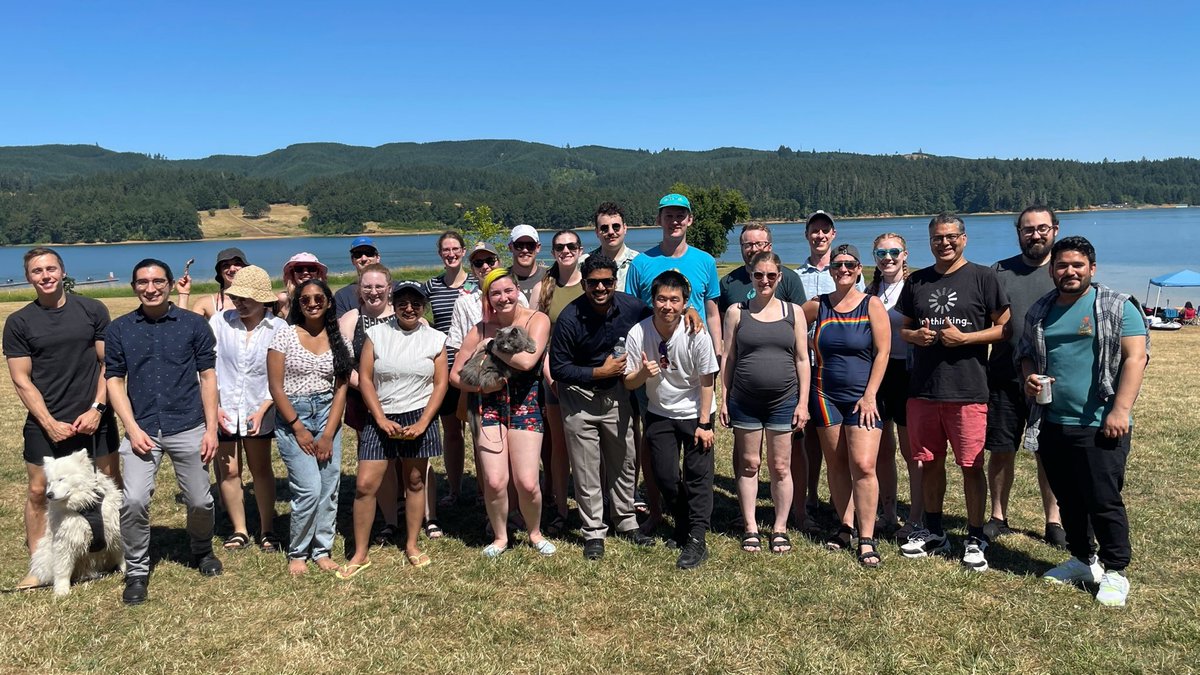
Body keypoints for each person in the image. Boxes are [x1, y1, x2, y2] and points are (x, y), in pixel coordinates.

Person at [1021, 236, 1149, 607]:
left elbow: (1135, 359)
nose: (1069, 271)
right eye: (1062, 265)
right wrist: (1029, 376)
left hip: (1099, 421)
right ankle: (1082, 559)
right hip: (1052, 421)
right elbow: (1026, 354)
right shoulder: (1041, 309)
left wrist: (1120, 410)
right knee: (1068, 498)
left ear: (1092, 269)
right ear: (1051, 270)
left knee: (1103, 499)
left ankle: (1115, 571)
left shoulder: (1116, 306)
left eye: (1078, 265)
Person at [105, 258, 223, 605]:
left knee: (200, 500)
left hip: (188, 423)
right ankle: (137, 571)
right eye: (143, 282)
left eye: (158, 281)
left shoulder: (193, 326)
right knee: (135, 500)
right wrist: (131, 427)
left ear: (170, 285)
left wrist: (211, 429)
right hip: (142, 428)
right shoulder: (120, 329)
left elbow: (208, 378)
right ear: (134, 287)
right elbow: (114, 379)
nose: (151, 288)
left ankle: (202, 550)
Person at [898, 213, 1010, 573]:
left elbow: (1004, 328)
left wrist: (967, 339)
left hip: (968, 388)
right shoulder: (917, 280)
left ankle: (975, 535)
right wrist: (915, 337)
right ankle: (934, 530)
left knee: (970, 465)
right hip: (924, 390)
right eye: (937, 238)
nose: (944, 243)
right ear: (929, 241)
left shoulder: (983, 277)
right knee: (929, 461)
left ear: (964, 238)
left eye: (950, 237)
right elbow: (904, 328)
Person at [5, 247, 119, 590]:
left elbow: (108, 364)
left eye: (51, 268)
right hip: (45, 422)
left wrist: (97, 409)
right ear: (29, 277)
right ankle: (41, 567)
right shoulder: (19, 322)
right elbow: (21, 379)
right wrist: (49, 422)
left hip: (94, 418)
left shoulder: (92, 310)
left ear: (63, 271)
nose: (45, 275)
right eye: (37, 271)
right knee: (40, 491)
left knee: (109, 484)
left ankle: (116, 553)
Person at [551, 255, 657, 560]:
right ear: (584, 283)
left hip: (617, 396)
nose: (600, 287)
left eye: (606, 282)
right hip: (578, 399)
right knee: (586, 470)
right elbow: (558, 368)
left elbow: (660, 317)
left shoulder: (631, 306)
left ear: (614, 282)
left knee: (624, 461)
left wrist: (690, 312)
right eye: (593, 282)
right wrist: (598, 373)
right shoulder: (571, 318)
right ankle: (594, 531)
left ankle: (625, 521)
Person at [344, 282, 448, 576]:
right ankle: (360, 552)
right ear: (394, 304)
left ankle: (412, 544)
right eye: (402, 302)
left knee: (415, 481)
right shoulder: (376, 335)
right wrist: (379, 419)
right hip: (381, 415)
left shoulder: (435, 338)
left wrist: (424, 422)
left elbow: (440, 383)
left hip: (419, 415)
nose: (409, 308)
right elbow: (365, 378)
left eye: (416, 303)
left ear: (423, 306)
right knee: (365, 485)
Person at [450, 268, 555, 558]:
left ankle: (534, 533)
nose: (503, 297)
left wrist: (493, 347)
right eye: (495, 293)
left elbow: (526, 361)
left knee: (527, 482)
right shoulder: (480, 328)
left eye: (508, 290)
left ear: (517, 290)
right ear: (488, 298)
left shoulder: (537, 320)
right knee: (495, 481)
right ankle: (500, 537)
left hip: (526, 405)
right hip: (490, 407)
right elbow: (455, 376)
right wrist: (482, 389)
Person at [801, 244, 890, 567]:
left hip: (862, 398)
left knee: (864, 465)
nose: (843, 270)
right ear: (830, 270)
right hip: (825, 395)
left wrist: (869, 396)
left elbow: (882, 353)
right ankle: (845, 525)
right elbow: (784, 319)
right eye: (837, 265)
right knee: (836, 464)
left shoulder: (872, 304)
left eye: (849, 264)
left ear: (859, 268)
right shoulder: (818, 306)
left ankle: (867, 537)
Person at [624, 271, 719, 569]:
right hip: (660, 411)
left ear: (685, 303)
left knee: (697, 476)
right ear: (652, 301)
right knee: (665, 476)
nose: (668, 306)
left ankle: (697, 538)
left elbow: (707, 381)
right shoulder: (638, 333)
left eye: (675, 300)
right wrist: (643, 373)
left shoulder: (696, 333)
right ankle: (682, 523)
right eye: (662, 299)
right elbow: (628, 381)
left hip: (695, 412)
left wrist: (704, 424)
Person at [985, 206, 1064, 546]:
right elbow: (984, 322)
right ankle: (998, 515)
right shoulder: (999, 272)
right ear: (1018, 232)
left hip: (1051, 379)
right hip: (1004, 376)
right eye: (1028, 229)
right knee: (1002, 449)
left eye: (1042, 228)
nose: (1036, 235)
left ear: (1055, 230)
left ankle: (1055, 521)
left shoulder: (1065, 270)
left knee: (1049, 452)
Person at [721, 252, 809, 554]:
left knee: (781, 466)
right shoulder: (736, 311)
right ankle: (750, 526)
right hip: (745, 401)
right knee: (749, 464)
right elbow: (728, 358)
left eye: (771, 275)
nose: (765, 281)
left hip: (784, 401)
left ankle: (780, 527)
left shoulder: (793, 311)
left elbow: (802, 359)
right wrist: (724, 398)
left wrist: (803, 403)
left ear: (780, 276)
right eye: (759, 275)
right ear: (751, 274)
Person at [267, 279, 351, 576]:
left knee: (329, 488)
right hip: (294, 417)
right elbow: (275, 387)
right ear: (297, 304)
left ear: (328, 301)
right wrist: (298, 428)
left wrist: (328, 433)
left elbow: (341, 389)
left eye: (319, 298)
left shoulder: (340, 339)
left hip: (328, 416)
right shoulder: (284, 337)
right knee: (309, 489)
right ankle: (298, 551)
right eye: (305, 299)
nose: (313, 303)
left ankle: (322, 549)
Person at [793, 210, 862, 530]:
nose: (820, 235)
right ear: (807, 235)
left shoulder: (851, 273)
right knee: (808, 437)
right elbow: (793, 322)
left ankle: (844, 504)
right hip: (808, 370)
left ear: (833, 235)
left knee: (845, 443)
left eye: (825, 231)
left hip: (844, 370)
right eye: (814, 231)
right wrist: (805, 346)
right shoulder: (796, 275)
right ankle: (809, 496)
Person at [210, 265, 284, 553]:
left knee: (261, 468)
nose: (239, 303)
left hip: (258, 406)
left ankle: (267, 528)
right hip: (224, 407)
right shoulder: (219, 322)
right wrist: (213, 407)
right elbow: (207, 367)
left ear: (262, 300)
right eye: (236, 297)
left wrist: (265, 407)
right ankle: (239, 529)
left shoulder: (277, 328)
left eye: (246, 298)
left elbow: (280, 373)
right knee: (229, 471)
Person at [337, 263, 401, 545]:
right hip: (362, 400)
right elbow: (341, 362)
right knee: (377, 460)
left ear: (389, 288)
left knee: (409, 461)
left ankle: (419, 514)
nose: (373, 292)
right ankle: (387, 519)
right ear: (359, 289)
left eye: (378, 287)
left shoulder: (404, 314)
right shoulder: (351, 318)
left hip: (402, 397)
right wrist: (367, 387)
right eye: (367, 287)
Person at [867, 233, 922, 540]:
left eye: (893, 251)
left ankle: (915, 516)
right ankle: (888, 513)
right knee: (882, 450)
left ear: (905, 254)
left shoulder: (914, 288)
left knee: (910, 450)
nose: (888, 257)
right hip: (877, 371)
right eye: (881, 252)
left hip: (908, 372)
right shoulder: (871, 289)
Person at [536, 229, 586, 535]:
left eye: (571, 246)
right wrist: (549, 374)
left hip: (587, 377)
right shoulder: (545, 286)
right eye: (559, 246)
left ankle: (589, 506)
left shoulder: (591, 283)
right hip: (553, 376)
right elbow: (537, 338)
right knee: (558, 447)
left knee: (588, 446)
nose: (565, 250)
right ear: (553, 251)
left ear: (580, 250)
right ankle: (559, 508)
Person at [625, 194, 722, 354]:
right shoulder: (640, 263)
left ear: (689, 220)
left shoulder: (706, 261)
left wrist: (717, 351)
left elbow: (712, 314)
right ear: (659, 220)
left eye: (680, 216)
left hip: (694, 349)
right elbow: (630, 314)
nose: (675, 221)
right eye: (668, 216)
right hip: (652, 349)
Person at [423, 231, 471, 510]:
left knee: (479, 432)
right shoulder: (431, 285)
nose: (451, 254)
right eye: (446, 250)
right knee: (452, 430)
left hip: (475, 369)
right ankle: (454, 489)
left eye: (455, 249)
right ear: (440, 254)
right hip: (444, 367)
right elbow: (412, 310)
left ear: (463, 251)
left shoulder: (477, 284)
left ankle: (482, 488)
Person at [180, 247, 247, 322]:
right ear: (220, 272)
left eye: (237, 264)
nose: (232, 269)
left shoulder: (258, 300)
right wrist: (183, 294)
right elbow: (186, 329)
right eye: (225, 265)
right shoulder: (205, 303)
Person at [590, 202, 640, 293]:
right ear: (597, 232)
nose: (611, 232)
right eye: (604, 228)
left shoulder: (639, 262)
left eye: (616, 227)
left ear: (625, 228)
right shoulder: (584, 262)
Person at [334, 236, 383, 318]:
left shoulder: (396, 289)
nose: (364, 258)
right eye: (358, 254)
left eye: (369, 253)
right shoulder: (343, 296)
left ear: (377, 258)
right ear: (352, 260)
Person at [275, 252, 328, 320]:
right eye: (299, 269)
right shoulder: (284, 299)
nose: (305, 272)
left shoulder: (326, 298)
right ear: (292, 274)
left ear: (318, 273)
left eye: (311, 268)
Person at [508, 224, 546, 302]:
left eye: (530, 245)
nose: (525, 250)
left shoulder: (551, 277)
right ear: (511, 247)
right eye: (519, 245)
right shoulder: (501, 279)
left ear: (538, 247)